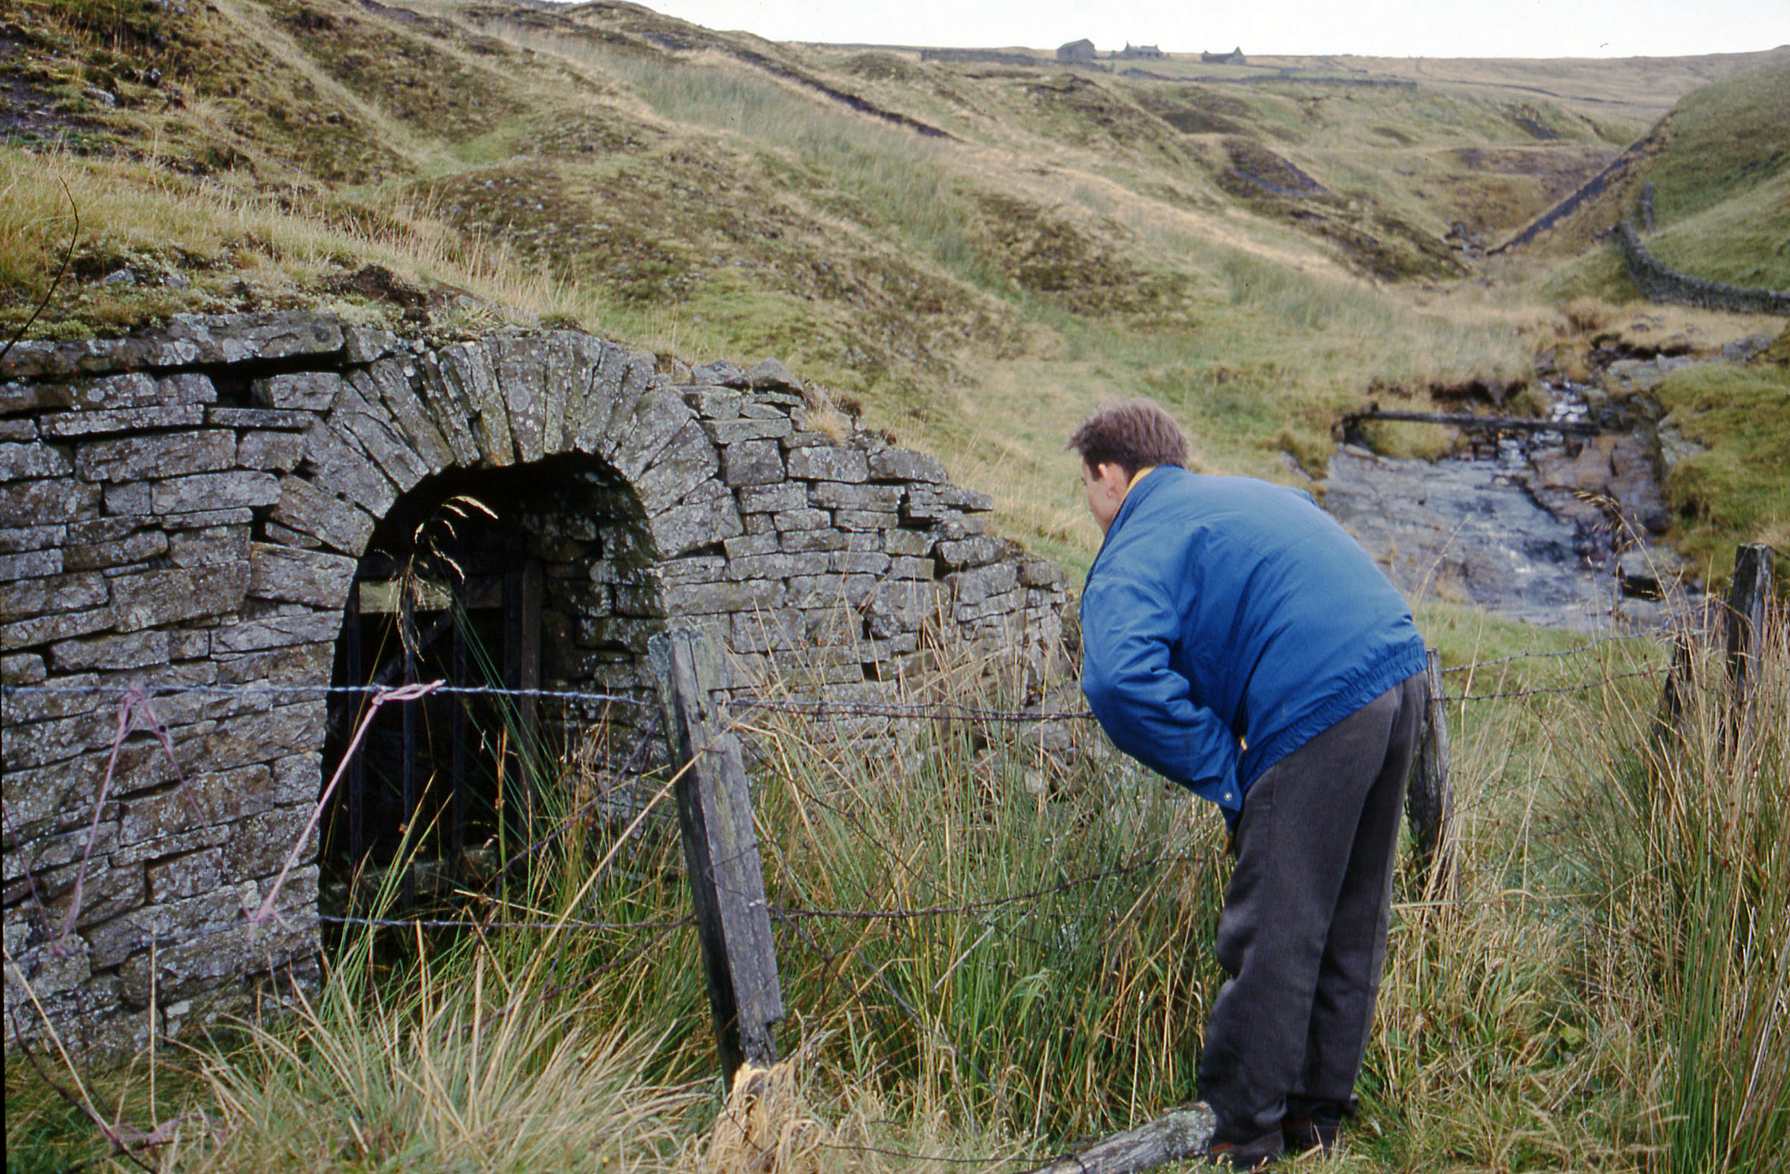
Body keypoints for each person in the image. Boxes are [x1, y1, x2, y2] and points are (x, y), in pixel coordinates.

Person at [1069, 399, 1429, 1167]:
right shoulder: (1248, 495)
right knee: (1352, 912)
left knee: (1277, 925)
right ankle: (1316, 1123)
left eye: (1088, 485)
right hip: (1400, 670)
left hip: (1318, 698)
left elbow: (1116, 678)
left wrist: (1224, 770)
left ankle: (1245, 1132)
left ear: (1109, 474)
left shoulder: (1139, 536)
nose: (1091, 504)